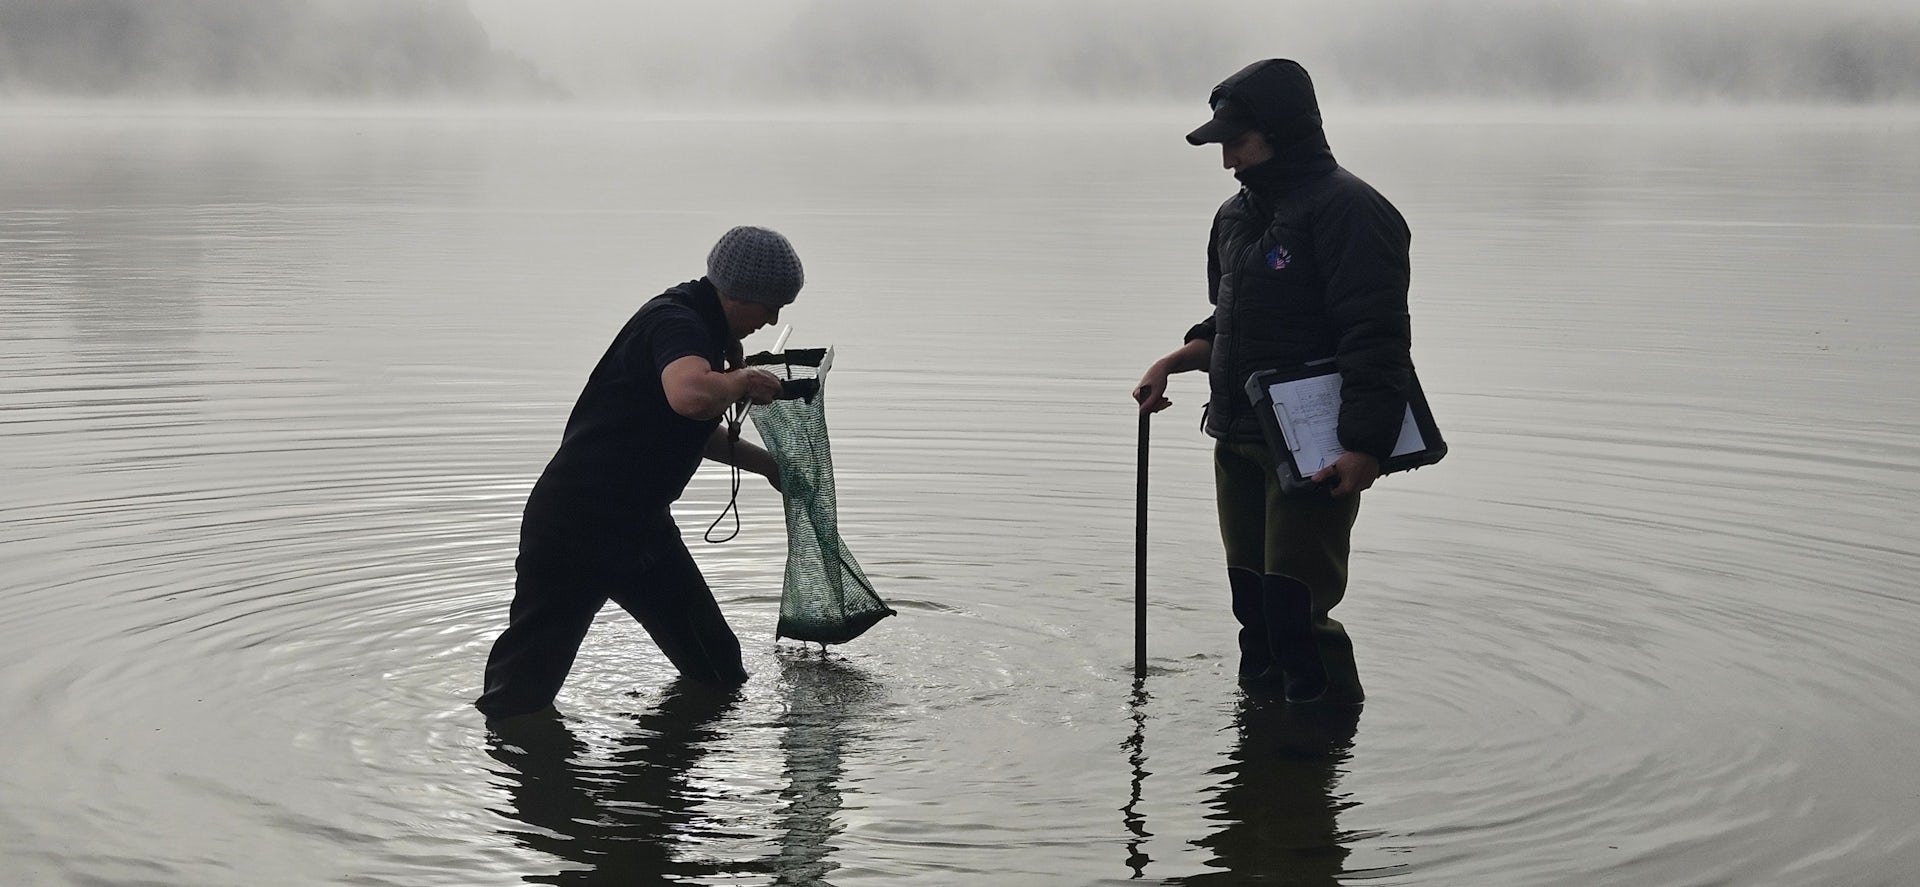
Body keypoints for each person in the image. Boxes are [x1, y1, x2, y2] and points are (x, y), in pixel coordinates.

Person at [1135, 60, 1413, 705]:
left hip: (1314, 454)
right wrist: (1169, 364)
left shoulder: (1354, 211)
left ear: (1281, 132)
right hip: (1236, 435)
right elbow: (1230, 322)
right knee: (1253, 604)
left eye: (1237, 142)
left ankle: (1321, 752)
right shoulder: (1234, 216)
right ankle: (1259, 752)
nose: (1227, 159)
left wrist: (1366, 448)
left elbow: (1375, 338)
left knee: (1296, 612)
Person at [476, 225, 803, 721]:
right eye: (769, 305)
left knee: (717, 670)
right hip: (576, 525)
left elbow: (691, 426)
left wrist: (770, 467)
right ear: (738, 292)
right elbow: (690, 396)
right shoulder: (677, 322)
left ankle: (660, 785)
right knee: (520, 695)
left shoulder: (708, 336)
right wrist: (741, 380)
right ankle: (520, 783)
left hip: (642, 528)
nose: (773, 319)